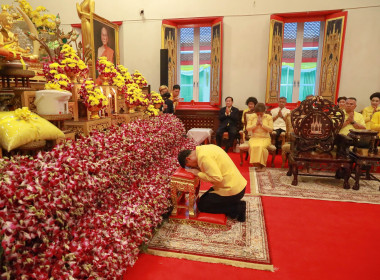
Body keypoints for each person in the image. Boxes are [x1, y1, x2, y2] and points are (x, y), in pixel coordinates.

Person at [178, 145, 247, 222]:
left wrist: (198, 173)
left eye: (190, 166)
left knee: (202, 206)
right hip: (237, 185)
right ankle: (233, 203)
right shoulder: (203, 149)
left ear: (188, 159)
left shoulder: (204, 158)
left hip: (233, 190)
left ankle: (238, 208)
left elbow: (217, 178)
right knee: (203, 200)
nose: (192, 168)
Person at [246, 103, 273, 172]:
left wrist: (262, 124)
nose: (259, 115)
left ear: (264, 111)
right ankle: (257, 165)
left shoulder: (269, 117)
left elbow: (271, 129)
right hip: (254, 137)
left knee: (261, 147)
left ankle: (263, 165)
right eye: (258, 114)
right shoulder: (252, 117)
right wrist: (256, 124)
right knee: (253, 146)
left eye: (261, 114)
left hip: (265, 138)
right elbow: (248, 128)